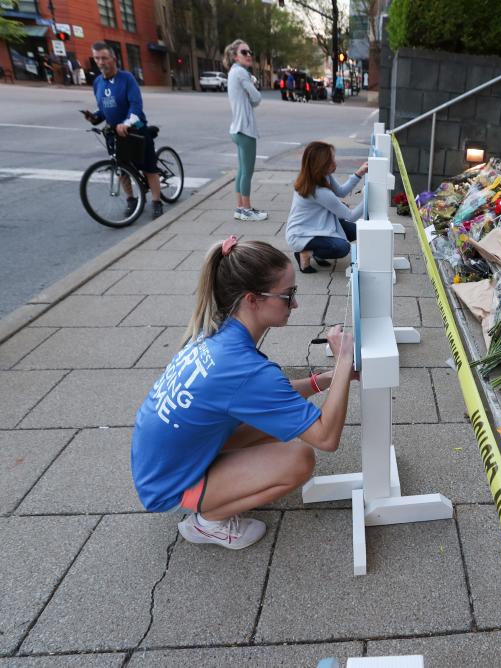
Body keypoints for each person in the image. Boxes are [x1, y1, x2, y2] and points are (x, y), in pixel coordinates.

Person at [130, 237, 357, 549]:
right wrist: (344, 360)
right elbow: (326, 438)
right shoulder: (244, 369)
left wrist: (326, 380)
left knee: (279, 427)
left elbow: (271, 397)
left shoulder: (217, 332)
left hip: (163, 460)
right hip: (169, 480)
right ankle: (208, 522)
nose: (295, 304)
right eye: (288, 295)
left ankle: (217, 488)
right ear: (252, 299)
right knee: (299, 459)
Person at [82, 42, 164, 219]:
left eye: (104, 58)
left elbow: (136, 105)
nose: (100, 62)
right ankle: (131, 200)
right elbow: (104, 109)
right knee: (121, 168)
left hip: (135, 129)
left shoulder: (127, 78)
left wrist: (127, 123)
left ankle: (157, 201)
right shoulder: (97, 83)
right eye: (97, 58)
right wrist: (95, 117)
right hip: (114, 132)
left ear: (113, 58)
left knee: (149, 167)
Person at [285, 142, 367, 273]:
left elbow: (341, 192)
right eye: (331, 160)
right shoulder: (318, 191)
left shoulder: (322, 176)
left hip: (317, 225)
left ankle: (318, 252)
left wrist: (358, 174)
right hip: (301, 234)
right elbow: (351, 216)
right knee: (342, 248)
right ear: (321, 165)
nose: (335, 162)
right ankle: (305, 252)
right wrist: (369, 198)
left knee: (356, 231)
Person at [225, 39, 267, 222]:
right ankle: (247, 210)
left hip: (236, 128)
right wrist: (252, 83)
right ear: (235, 56)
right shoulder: (241, 73)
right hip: (245, 129)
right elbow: (257, 98)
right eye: (244, 52)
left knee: (241, 170)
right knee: (247, 171)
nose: (249, 55)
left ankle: (240, 208)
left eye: (250, 52)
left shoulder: (234, 72)